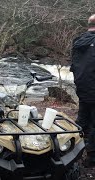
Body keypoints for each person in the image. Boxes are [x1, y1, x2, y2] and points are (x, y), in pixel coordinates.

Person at [70, 14, 95, 166]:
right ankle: (91, 158)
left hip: (82, 87)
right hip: (92, 88)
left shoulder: (78, 41)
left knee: (83, 120)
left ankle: (73, 150)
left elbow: (76, 66)